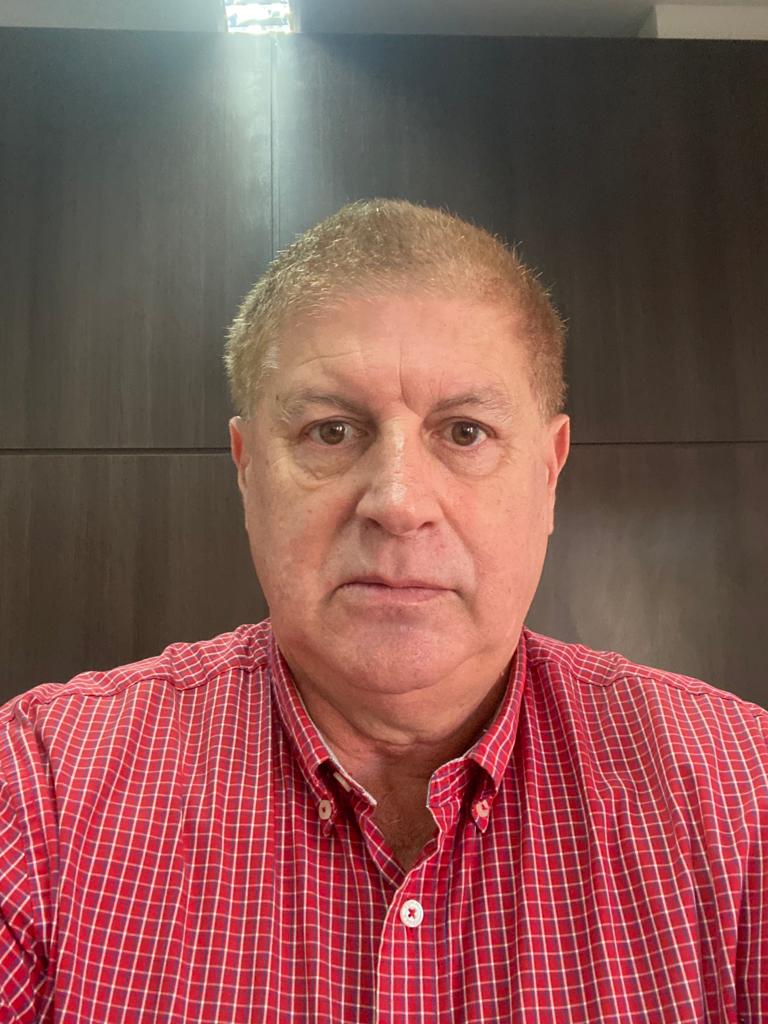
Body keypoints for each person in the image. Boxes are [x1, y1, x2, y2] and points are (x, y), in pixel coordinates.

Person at [0, 199, 765, 1023]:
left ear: (549, 473)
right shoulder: (40, 795)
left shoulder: (745, 798)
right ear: (247, 470)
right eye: (331, 432)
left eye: (465, 432)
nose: (398, 503)